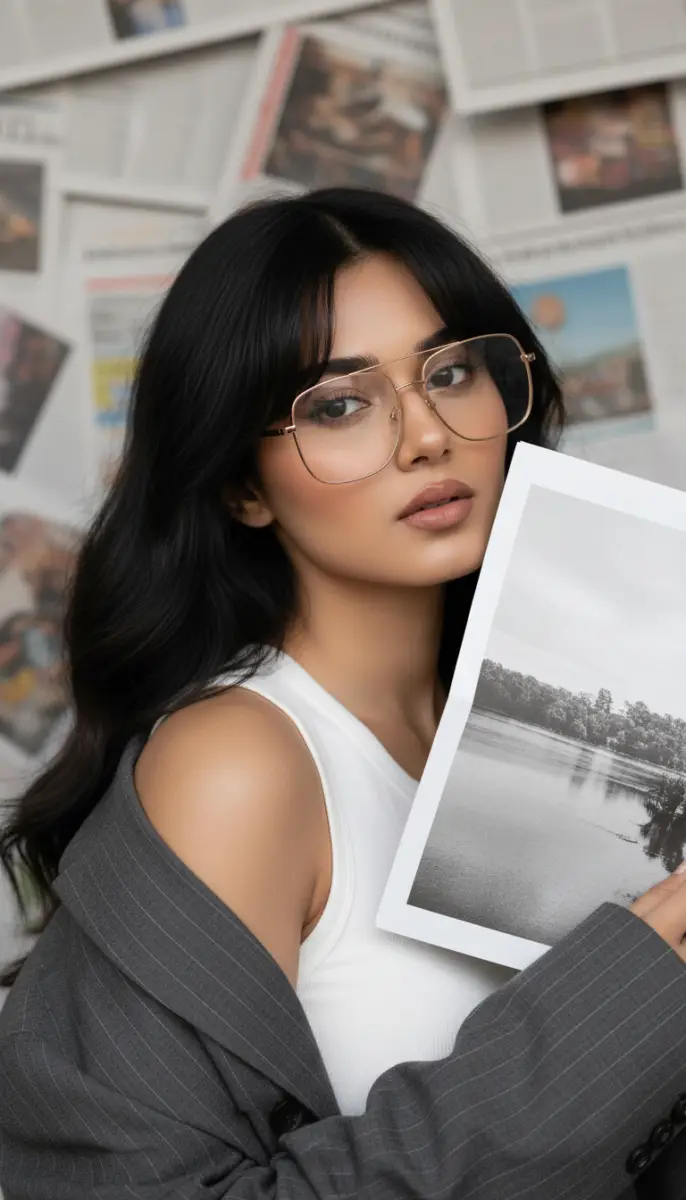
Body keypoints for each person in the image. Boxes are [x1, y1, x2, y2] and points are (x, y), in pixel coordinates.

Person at [1, 188, 686, 1200]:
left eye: (450, 372)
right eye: (340, 404)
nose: (425, 437)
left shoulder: (530, 710)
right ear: (241, 484)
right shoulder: (238, 763)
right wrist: (619, 996)